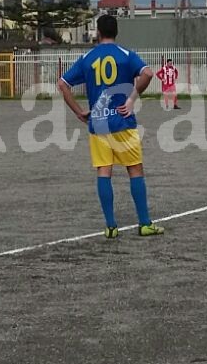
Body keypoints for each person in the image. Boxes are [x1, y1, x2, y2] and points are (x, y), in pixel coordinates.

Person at [57, 14, 163, 239]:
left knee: (104, 172)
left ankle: (111, 226)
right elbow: (148, 73)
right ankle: (144, 223)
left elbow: (62, 84)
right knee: (134, 169)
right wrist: (131, 99)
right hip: (123, 122)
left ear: (97, 32)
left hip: (99, 123)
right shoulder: (125, 55)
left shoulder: (87, 58)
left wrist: (78, 112)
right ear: (116, 32)